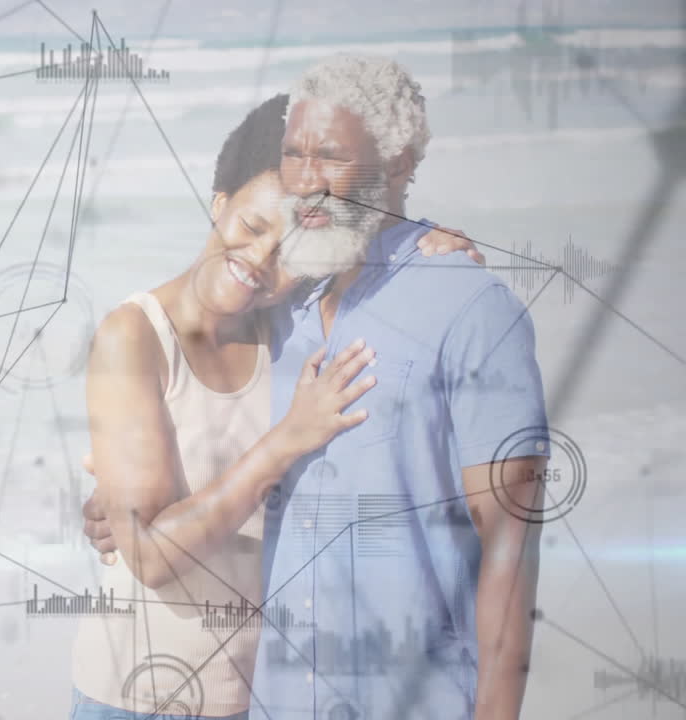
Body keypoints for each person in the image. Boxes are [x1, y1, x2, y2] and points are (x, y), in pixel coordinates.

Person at [82, 55, 550, 720]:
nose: (305, 178)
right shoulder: (287, 311)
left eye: (327, 154)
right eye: (295, 153)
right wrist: (117, 501)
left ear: (399, 161)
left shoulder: (466, 306)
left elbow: (510, 541)